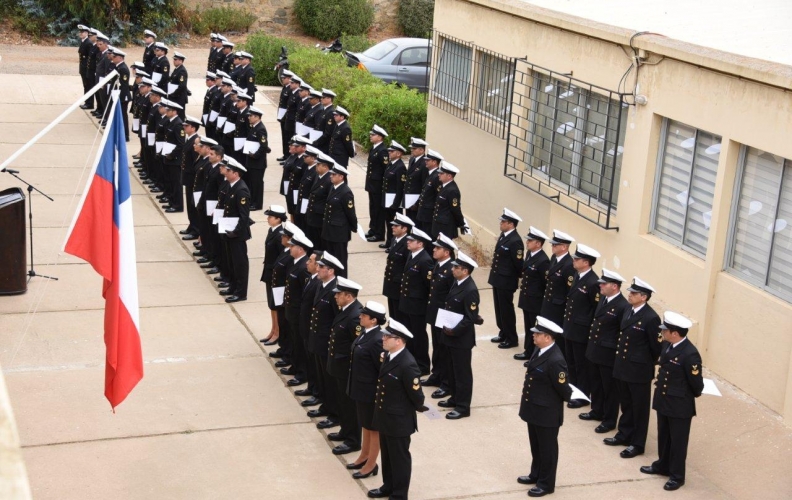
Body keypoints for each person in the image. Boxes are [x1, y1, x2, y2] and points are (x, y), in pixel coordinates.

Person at [641, 311, 704, 491]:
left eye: (665, 330)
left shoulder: (690, 354)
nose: (662, 333)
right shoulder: (668, 346)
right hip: (664, 400)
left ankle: (677, 476)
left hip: (679, 405)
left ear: (675, 333)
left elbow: (696, 385)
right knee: (664, 436)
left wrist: (681, 394)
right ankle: (663, 465)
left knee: (678, 442)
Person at [367, 319, 427, 500]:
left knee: (399, 458)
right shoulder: (388, 356)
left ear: (399, 341)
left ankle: (400, 494)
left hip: (399, 420)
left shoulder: (407, 364)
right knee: (387, 455)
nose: (383, 339)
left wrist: (412, 408)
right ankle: (388, 486)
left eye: (387, 337)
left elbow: (417, 395)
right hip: (385, 416)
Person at [605, 277, 662, 459]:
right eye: (630, 292)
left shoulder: (651, 318)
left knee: (639, 408)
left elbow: (656, 348)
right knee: (626, 403)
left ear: (644, 297)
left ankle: (637, 443)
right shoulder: (629, 310)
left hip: (639, 370)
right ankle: (624, 434)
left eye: (634, 293)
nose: (629, 295)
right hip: (623, 365)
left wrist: (643, 363)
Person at [517, 316, 573, 498]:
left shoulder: (555, 360)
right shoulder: (540, 350)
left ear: (547, 337)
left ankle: (546, 483)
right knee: (536, 445)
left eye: (537, 334)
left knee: (547, 449)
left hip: (547, 412)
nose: (533, 337)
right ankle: (536, 474)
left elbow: (563, 389)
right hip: (534, 408)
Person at [582, 269, 630, 433]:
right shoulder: (603, 299)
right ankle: (597, 410)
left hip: (608, 354)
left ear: (615, 286)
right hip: (595, 349)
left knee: (609, 389)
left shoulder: (623, 306)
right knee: (595, 383)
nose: (600, 285)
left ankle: (609, 420)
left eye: (604, 283)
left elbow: (621, 332)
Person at [438, 251, 481, 420]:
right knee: (451, 369)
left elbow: (470, 318)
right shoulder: (457, 283)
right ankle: (455, 398)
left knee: (462, 373)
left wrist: (454, 330)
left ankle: (463, 407)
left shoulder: (470, 289)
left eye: (456, 267)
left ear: (465, 270)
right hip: (449, 334)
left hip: (460, 338)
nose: (453, 269)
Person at [347, 301, 387, 477]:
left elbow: (381, 370)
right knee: (365, 424)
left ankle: (371, 463)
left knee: (373, 428)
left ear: (374, 320)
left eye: (364, 315)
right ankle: (364, 455)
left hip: (370, 391)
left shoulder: (377, 340)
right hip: (360, 389)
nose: (360, 316)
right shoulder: (365, 333)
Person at [327, 277, 364, 455]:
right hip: (339, 366)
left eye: (338, 294)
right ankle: (345, 430)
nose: (335, 297)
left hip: (346, 368)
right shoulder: (346, 310)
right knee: (342, 402)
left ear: (348, 296)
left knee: (350, 406)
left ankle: (353, 440)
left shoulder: (356, 316)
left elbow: (356, 346)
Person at [307, 252, 343, 430]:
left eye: (321, 267)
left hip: (326, 342)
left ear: (331, 270)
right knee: (321, 378)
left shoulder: (335, 290)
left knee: (330, 381)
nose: (318, 269)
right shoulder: (322, 285)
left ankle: (334, 413)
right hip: (318, 340)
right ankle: (325, 405)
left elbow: (337, 320)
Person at [563, 243, 601, 409]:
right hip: (571, 327)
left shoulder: (593, 282)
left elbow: (595, 309)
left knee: (581, 365)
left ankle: (583, 395)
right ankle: (573, 390)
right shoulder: (578, 276)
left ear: (586, 262)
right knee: (570, 362)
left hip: (581, 330)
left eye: (577, 259)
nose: (574, 261)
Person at [421, 233, 457, 398]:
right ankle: (436, 375)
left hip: (444, 315)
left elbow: (451, 297)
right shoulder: (438, 265)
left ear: (447, 252)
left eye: (438, 248)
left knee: (444, 350)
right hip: (434, 313)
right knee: (436, 346)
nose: (434, 250)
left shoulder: (451, 270)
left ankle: (446, 383)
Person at [399, 227, 434, 376]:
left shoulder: (425, 260)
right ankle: (412, 361)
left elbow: (429, 286)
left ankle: (423, 365)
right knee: (410, 334)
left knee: (419, 336)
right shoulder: (412, 255)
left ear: (420, 244)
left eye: (411, 241)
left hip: (418, 305)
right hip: (408, 303)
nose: (408, 242)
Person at [488, 208, 525, 349]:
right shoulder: (504, 236)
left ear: (511, 224)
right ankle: (503, 332)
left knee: (506, 310)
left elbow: (518, 264)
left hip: (506, 280)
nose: (501, 224)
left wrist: (514, 279)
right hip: (498, 278)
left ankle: (511, 337)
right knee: (499, 309)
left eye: (503, 222)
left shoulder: (515, 241)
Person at [515, 227, 551, 363]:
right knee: (528, 326)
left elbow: (544, 283)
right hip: (527, 298)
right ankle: (528, 351)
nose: (527, 243)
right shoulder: (530, 255)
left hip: (535, 300)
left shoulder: (543, 261)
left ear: (538, 244)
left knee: (535, 329)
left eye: (530, 241)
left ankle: (534, 354)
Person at [218, 158, 252, 303]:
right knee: (231, 262)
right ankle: (233, 286)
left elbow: (244, 216)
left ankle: (241, 292)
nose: (225, 172)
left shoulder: (241, 190)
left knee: (239, 263)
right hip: (228, 229)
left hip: (237, 234)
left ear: (236, 173)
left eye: (228, 170)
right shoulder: (230, 185)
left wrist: (236, 231)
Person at [283, 232, 313, 387]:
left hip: (297, 312)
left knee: (300, 344)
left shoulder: (304, 268)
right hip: (291, 310)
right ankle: (295, 366)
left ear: (301, 249)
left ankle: (302, 373)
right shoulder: (296, 263)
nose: (290, 247)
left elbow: (305, 294)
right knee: (295, 340)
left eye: (292, 246)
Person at [539, 230, 576, 358]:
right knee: (546, 332)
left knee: (556, 335)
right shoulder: (554, 258)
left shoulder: (569, 265)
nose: (552, 246)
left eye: (555, 245)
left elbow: (569, 290)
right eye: (553, 244)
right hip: (548, 303)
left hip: (558, 307)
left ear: (564, 247)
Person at [321, 163, 357, 277]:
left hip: (339, 232)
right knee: (331, 257)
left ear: (341, 177)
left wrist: (354, 227)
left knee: (340, 259)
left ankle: (342, 280)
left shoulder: (346, 192)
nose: (331, 176)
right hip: (330, 230)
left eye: (334, 174)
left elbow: (350, 213)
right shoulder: (333, 187)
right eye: (331, 174)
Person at [260, 205, 288, 345]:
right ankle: (273, 329)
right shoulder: (272, 231)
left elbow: (281, 258)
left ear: (278, 219)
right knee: (271, 304)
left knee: (276, 305)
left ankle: (278, 332)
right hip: (269, 272)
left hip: (276, 274)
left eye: (270, 216)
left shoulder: (280, 235)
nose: (268, 219)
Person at [382, 213, 413, 323]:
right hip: (391, 284)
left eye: (396, 226)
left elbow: (407, 266)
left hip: (398, 285)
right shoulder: (395, 240)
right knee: (393, 315)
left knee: (400, 318)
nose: (392, 227)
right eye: (393, 225)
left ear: (404, 229)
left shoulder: (407, 244)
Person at [365, 124, 389, 242]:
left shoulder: (382, 150)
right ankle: (373, 229)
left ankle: (379, 233)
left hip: (378, 185)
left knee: (378, 210)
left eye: (373, 135)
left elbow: (385, 170)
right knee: (373, 208)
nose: (371, 136)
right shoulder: (374, 148)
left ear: (380, 137)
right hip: (372, 184)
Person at [431, 163, 468, 239]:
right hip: (439, 223)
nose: (439, 175)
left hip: (445, 226)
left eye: (441, 173)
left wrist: (461, 223)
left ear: (449, 176)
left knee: (445, 249)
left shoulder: (452, 190)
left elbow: (455, 209)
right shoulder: (444, 186)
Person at [381, 141, 407, 248]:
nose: (389, 153)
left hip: (394, 201)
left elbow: (400, 188)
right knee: (388, 222)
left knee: (395, 224)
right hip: (387, 199)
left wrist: (396, 203)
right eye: (389, 151)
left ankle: (393, 244)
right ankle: (388, 242)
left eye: (392, 151)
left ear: (399, 154)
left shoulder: (400, 167)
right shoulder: (391, 164)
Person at [306, 153, 334, 250]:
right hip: (313, 214)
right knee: (313, 239)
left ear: (326, 167)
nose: (316, 166)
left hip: (319, 216)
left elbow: (329, 200)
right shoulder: (319, 176)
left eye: (318, 165)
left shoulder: (329, 180)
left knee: (319, 242)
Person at [180, 116, 202, 237]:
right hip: (188, 176)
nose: (184, 127)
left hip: (192, 177)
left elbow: (195, 162)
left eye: (187, 126)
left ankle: (195, 229)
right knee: (189, 203)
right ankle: (191, 225)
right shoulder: (190, 139)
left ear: (193, 128)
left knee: (193, 205)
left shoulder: (196, 141)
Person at [245, 106, 269, 210]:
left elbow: (263, 146)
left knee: (257, 184)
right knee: (252, 183)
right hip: (251, 161)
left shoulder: (260, 129)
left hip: (257, 162)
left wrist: (255, 155)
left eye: (251, 116)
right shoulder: (254, 127)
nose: (249, 118)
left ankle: (257, 204)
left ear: (257, 117)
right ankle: (252, 202)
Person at [415, 149, 443, 234]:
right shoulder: (431, 174)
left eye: (428, 160)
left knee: (428, 234)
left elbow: (437, 196)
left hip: (429, 212)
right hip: (424, 211)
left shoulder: (436, 176)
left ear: (434, 162)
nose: (425, 162)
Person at [403, 138, 427, 224]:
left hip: (416, 198)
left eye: (414, 149)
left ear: (421, 150)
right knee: (408, 221)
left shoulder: (424, 163)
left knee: (415, 223)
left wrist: (418, 202)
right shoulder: (412, 159)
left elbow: (424, 184)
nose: (412, 150)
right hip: (409, 196)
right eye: (411, 148)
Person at [276, 70, 294, 159]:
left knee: (288, 137)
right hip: (282, 115)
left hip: (287, 116)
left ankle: (288, 155)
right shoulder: (285, 87)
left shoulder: (290, 89)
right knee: (284, 136)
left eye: (284, 78)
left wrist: (284, 116)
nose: (282, 79)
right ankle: (285, 154)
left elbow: (289, 106)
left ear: (289, 79)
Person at [77, 25, 93, 110]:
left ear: (86, 33)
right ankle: (87, 102)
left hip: (86, 68)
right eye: (80, 32)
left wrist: (87, 70)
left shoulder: (88, 43)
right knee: (85, 85)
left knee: (88, 85)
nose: (80, 33)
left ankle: (89, 103)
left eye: (82, 32)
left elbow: (89, 58)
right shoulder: (83, 41)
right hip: (83, 68)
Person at [169, 52, 189, 118]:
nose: (173, 61)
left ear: (181, 61)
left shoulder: (182, 71)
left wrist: (174, 94)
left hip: (179, 97)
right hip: (175, 97)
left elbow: (182, 85)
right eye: (174, 59)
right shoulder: (177, 69)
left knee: (180, 115)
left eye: (175, 60)